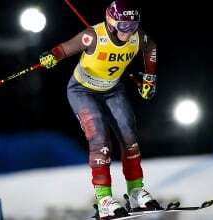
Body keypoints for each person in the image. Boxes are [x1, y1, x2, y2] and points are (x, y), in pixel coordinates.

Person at [40, 0, 160, 219]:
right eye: (123, 26)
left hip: (112, 89)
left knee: (129, 135)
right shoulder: (94, 36)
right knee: (99, 136)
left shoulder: (136, 36)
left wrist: (149, 78)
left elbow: (150, 47)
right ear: (111, 21)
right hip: (82, 91)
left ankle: (135, 192)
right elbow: (65, 48)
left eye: (133, 25)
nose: (128, 31)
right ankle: (104, 199)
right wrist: (52, 56)